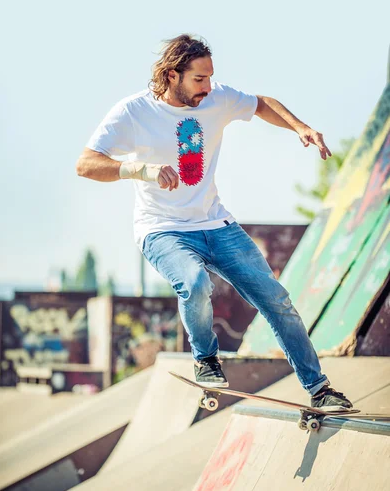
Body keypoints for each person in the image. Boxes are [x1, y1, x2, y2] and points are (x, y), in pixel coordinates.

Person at [77, 34, 352, 410]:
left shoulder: (217, 96)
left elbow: (261, 104)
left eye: (210, 78)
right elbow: (86, 164)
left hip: (216, 225)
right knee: (194, 282)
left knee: (277, 300)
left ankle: (319, 389)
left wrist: (299, 127)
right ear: (173, 75)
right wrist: (139, 169)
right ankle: (205, 358)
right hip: (162, 229)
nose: (208, 87)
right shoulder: (134, 113)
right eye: (199, 79)